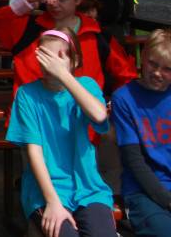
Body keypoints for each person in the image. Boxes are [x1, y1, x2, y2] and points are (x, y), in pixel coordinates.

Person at [6, 28, 117, 237]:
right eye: (45, 57)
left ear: (75, 61)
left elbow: (99, 116)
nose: (51, 65)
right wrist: (53, 202)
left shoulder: (86, 86)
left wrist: (64, 75)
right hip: (46, 190)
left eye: (59, 57)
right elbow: (34, 153)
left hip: (88, 188)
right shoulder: (27, 95)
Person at [0, 0, 135, 108]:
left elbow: (126, 76)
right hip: (34, 120)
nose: (54, 3)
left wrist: (115, 107)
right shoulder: (28, 28)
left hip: (82, 123)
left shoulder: (98, 36)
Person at [111, 29, 171, 237]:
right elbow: (133, 160)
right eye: (153, 64)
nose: (157, 73)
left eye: (167, 69)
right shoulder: (124, 98)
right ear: (142, 58)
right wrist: (167, 201)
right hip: (142, 190)